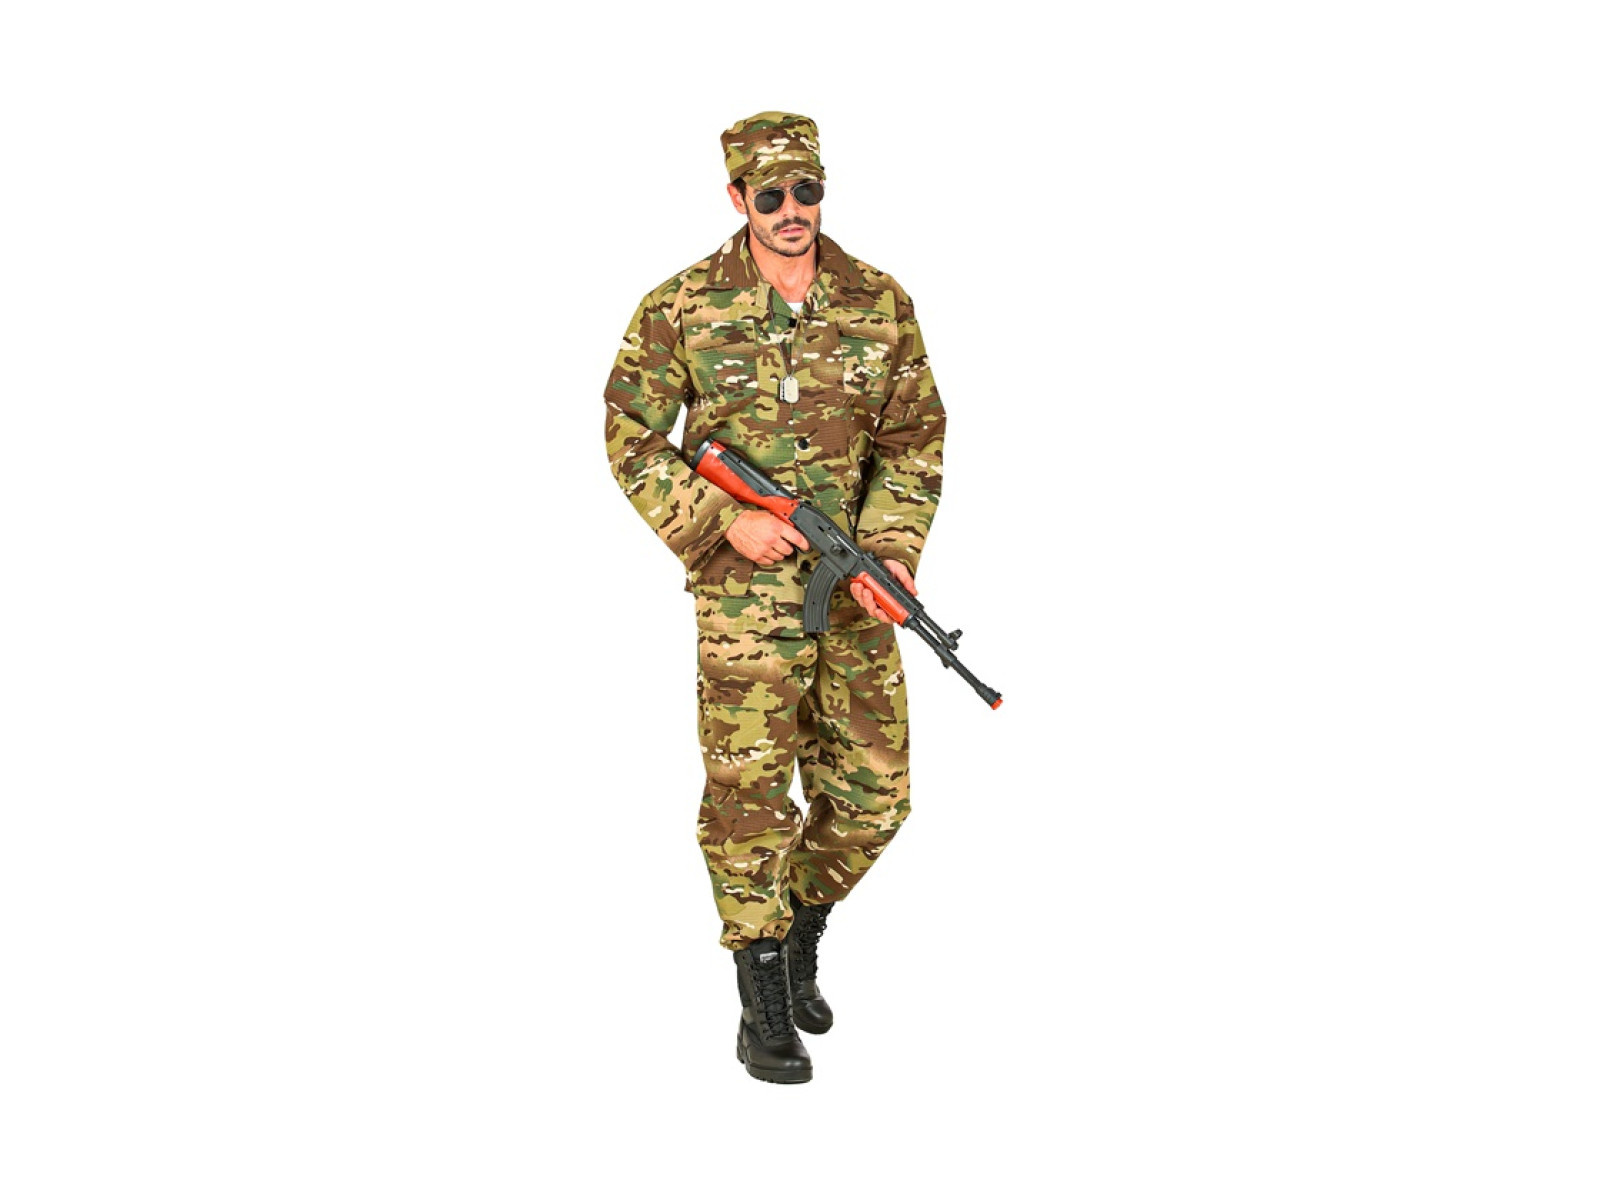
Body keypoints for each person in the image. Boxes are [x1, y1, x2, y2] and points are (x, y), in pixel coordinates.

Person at [602, 112, 946, 1083]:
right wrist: (722, 522)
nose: (792, 210)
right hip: (743, 601)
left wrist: (892, 552)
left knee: (875, 793)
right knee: (749, 795)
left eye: (807, 192)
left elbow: (913, 439)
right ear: (737, 198)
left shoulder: (878, 301)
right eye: (770, 195)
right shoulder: (682, 305)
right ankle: (762, 999)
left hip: (854, 589)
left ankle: (798, 931)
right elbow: (630, 433)